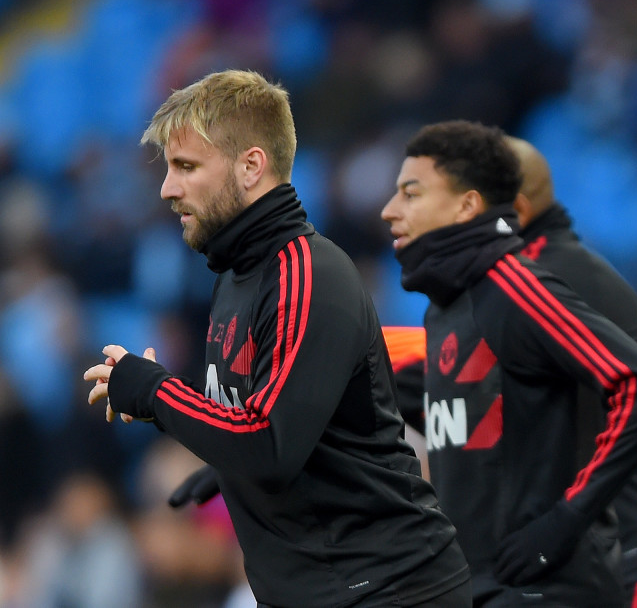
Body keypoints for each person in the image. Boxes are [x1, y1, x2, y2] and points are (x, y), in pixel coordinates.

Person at [83, 70, 471, 608]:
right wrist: (221, 462)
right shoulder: (235, 277)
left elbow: (267, 444)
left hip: (388, 589)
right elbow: (273, 418)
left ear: (251, 166)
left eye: (186, 167)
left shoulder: (306, 274)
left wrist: (155, 392)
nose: (167, 188)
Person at [380, 120, 637, 607]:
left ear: (467, 205)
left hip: (558, 584)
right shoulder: (447, 305)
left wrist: (565, 520)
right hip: (485, 583)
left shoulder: (519, 284)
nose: (389, 210)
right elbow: (470, 412)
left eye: (411, 194)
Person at [508, 135, 637, 608]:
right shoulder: (543, 269)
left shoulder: (546, 281)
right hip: (610, 546)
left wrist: (566, 516)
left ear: (515, 211)